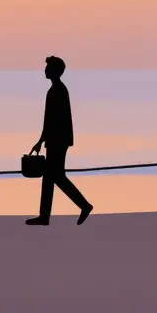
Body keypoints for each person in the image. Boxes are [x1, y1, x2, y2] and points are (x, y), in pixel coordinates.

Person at [27, 56, 93, 225]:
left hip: (58, 140)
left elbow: (52, 120)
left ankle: (83, 205)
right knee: (51, 177)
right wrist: (41, 141)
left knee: (55, 176)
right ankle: (45, 216)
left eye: (48, 67)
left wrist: (43, 140)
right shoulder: (56, 90)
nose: (45, 70)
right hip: (56, 140)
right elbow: (49, 120)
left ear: (54, 71)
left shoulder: (58, 91)